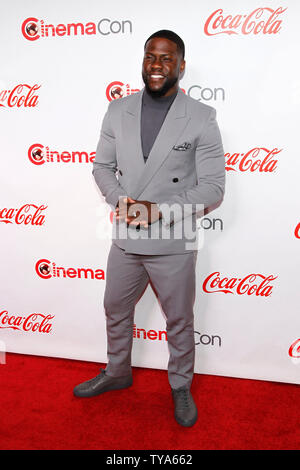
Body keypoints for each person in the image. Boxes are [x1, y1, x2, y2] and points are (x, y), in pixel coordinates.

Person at [73, 30, 225, 427]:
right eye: (150, 57)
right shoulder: (116, 109)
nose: (157, 66)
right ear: (143, 61)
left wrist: (158, 212)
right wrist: (122, 203)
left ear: (181, 65)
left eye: (166, 58)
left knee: (179, 318)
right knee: (115, 308)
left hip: (175, 237)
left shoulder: (202, 117)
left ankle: (179, 385)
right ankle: (118, 371)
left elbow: (212, 187)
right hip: (126, 234)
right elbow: (102, 168)